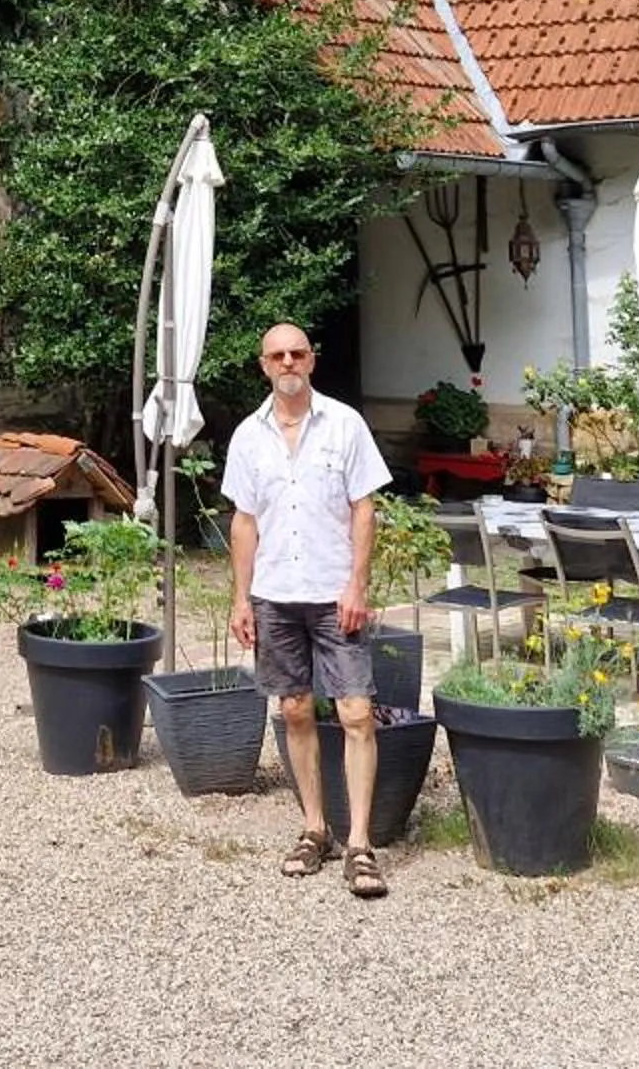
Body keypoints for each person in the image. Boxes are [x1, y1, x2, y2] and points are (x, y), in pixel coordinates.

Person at [223, 321, 394, 898]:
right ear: (264, 365)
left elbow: (364, 510)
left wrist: (357, 587)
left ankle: (361, 843)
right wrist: (239, 597)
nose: (288, 362)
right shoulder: (248, 437)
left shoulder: (344, 425)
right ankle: (314, 828)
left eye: (297, 353)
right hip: (275, 593)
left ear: (312, 362)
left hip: (332, 593)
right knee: (295, 709)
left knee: (355, 713)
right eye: (278, 355)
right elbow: (244, 522)